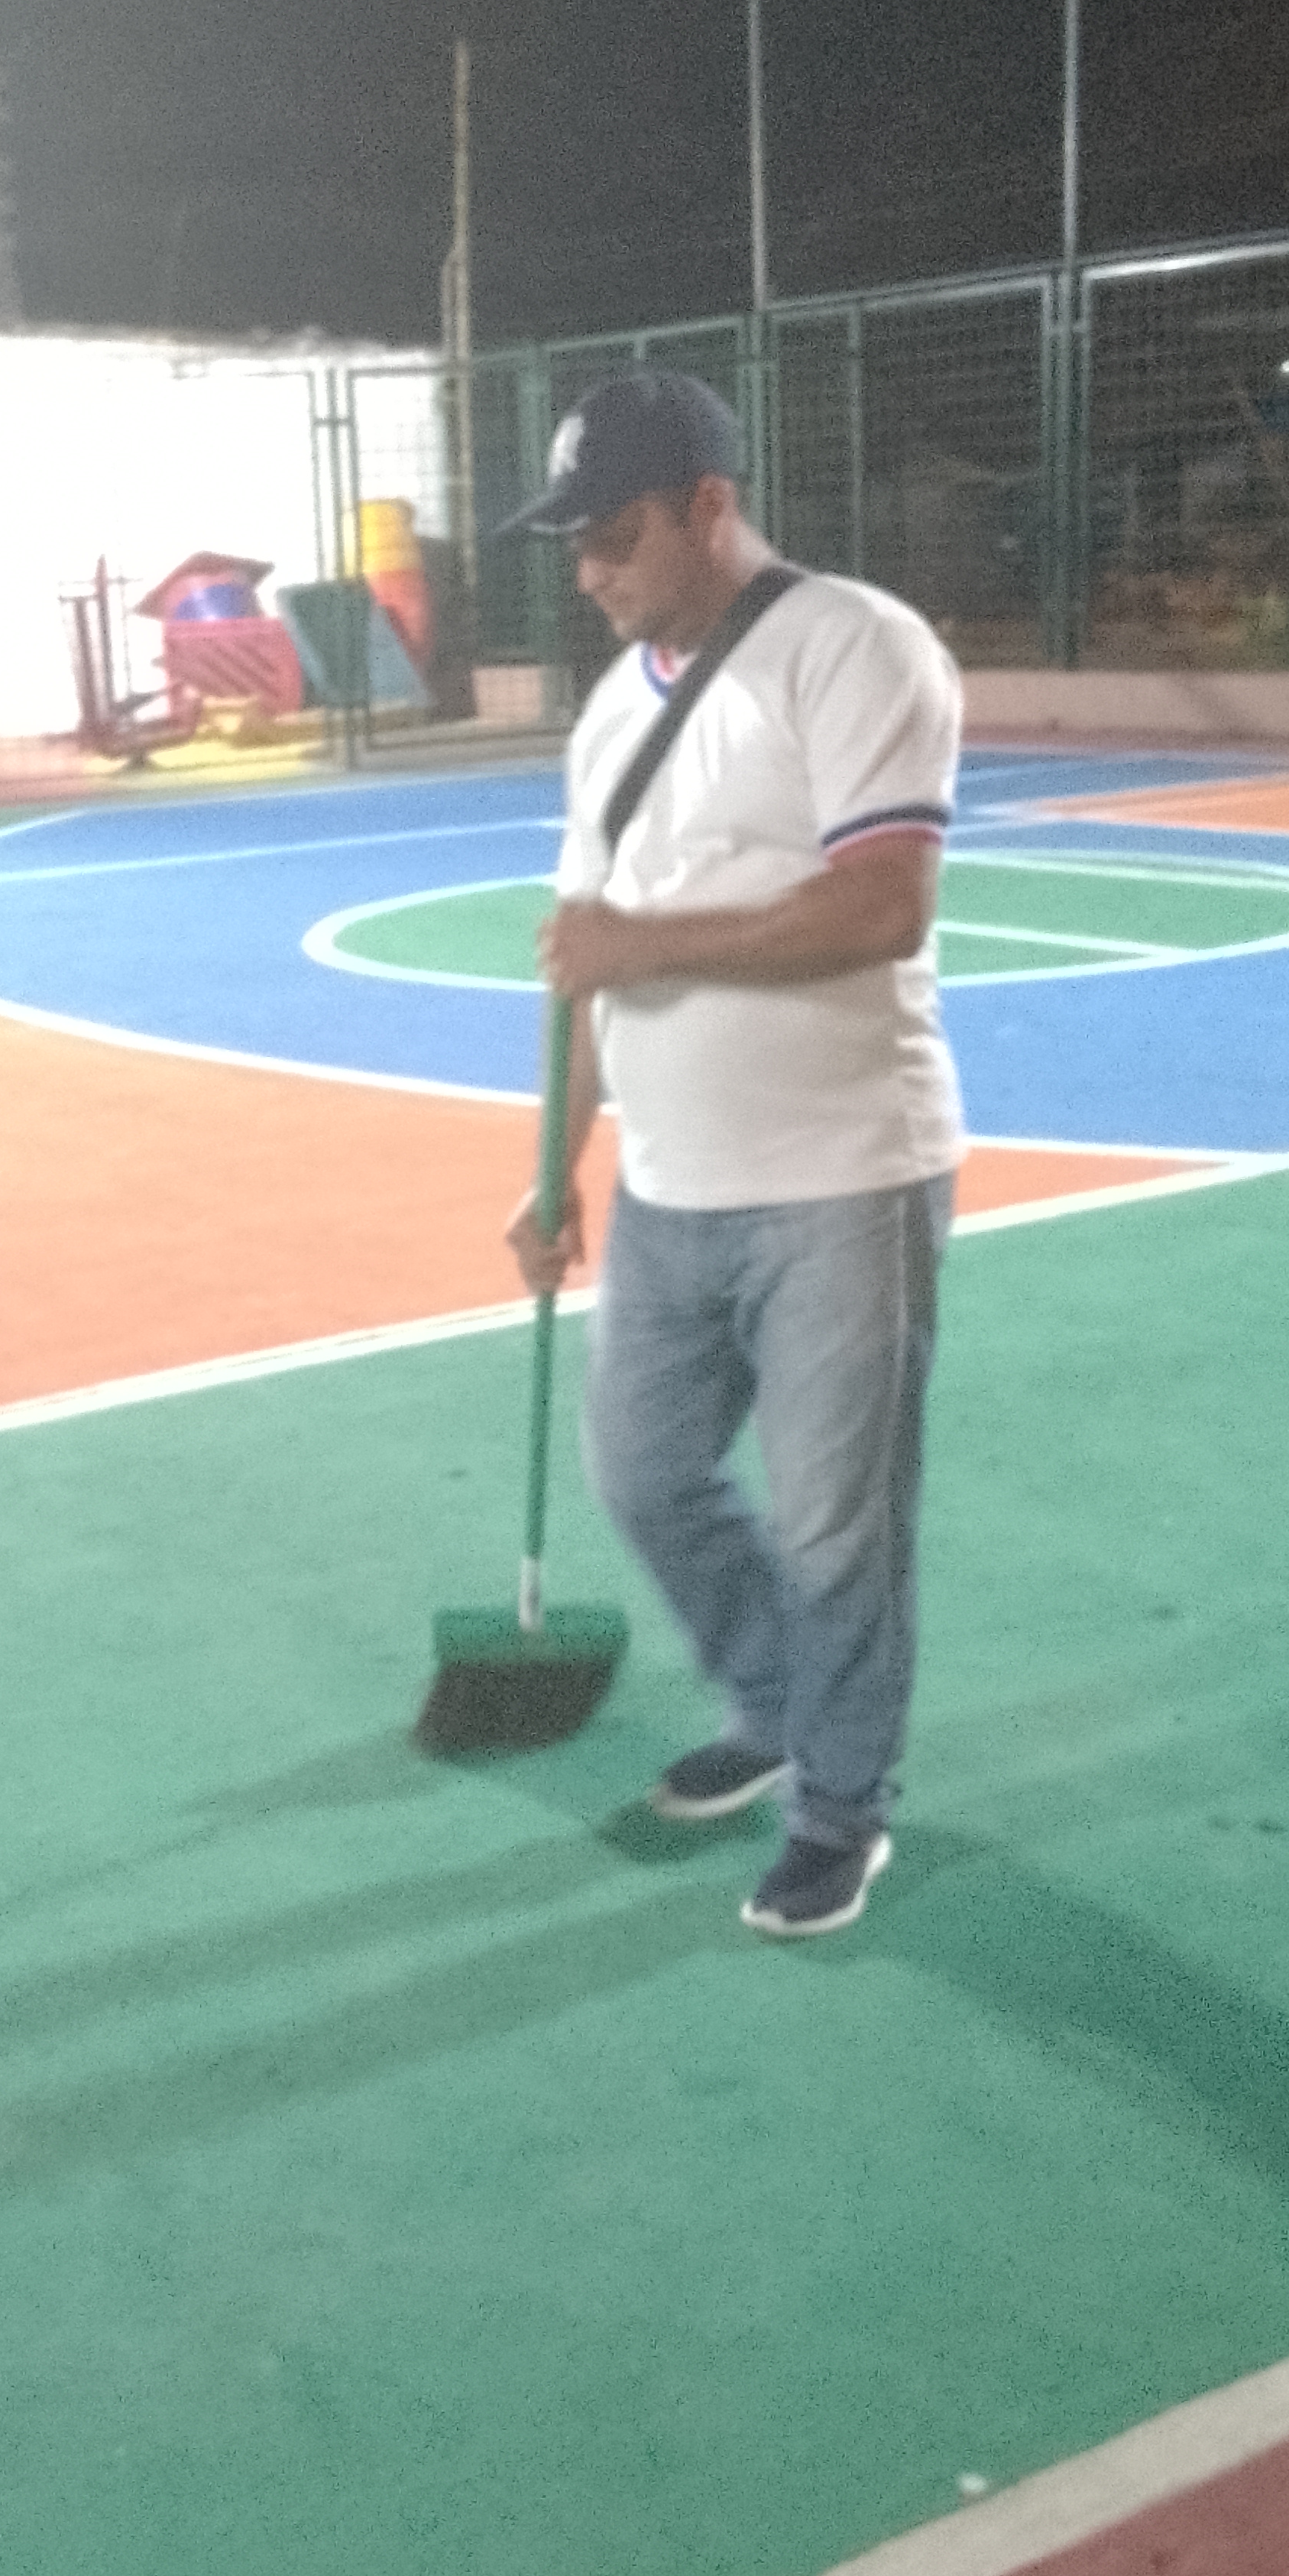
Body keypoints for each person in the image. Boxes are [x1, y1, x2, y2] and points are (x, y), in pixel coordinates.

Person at [499, 368, 964, 1940]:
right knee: (642, 1473)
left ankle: (841, 1804)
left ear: (709, 504)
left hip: (844, 1177)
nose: (588, 571)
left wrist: (645, 944)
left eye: (613, 534)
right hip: (668, 1186)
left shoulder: (855, 646)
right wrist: (554, 1164)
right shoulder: (611, 713)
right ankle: (774, 1701)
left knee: (838, 1527)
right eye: (572, 541)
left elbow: (883, 903)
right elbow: (585, 957)